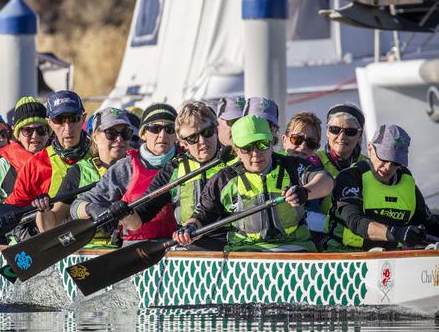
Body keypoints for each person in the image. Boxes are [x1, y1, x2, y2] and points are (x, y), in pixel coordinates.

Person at [170, 116, 334, 252]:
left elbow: (326, 181)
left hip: (295, 248)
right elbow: (202, 215)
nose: (256, 154)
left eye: (262, 144)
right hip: (246, 253)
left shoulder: (291, 165)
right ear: (235, 149)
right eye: (247, 148)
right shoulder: (224, 179)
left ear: (272, 143)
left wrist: (305, 192)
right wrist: (189, 229)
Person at [116, 101, 235, 250]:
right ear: (183, 143)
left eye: (206, 133)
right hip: (191, 249)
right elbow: (137, 220)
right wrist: (122, 213)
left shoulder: (237, 161)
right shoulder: (173, 169)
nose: (202, 142)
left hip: (235, 248)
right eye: (193, 138)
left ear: (216, 130)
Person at [71, 103, 179, 243]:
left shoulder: (187, 164)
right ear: (143, 134)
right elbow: (76, 207)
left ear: (177, 135)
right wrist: (92, 208)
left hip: (182, 249)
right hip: (136, 248)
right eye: (155, 128)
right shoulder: (125, 168)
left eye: (169, 129)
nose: (162, 135)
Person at [328, 125, 439, 250]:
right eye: (384, 158)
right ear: (370, 149)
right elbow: (356, 222)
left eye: (396, 163)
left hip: (390, 258)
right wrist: (397, 233)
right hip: (345, 255)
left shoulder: (407, 182)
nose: (388, 168)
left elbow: (430, 224)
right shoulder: (350, 177)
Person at [36, 107, 132, 247]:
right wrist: (43, 209)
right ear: (95, 137)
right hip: (89, 252)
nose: (119, 139)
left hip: (130, 248)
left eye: (125, 133)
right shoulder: (79, 171)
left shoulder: (138, 167)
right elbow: (52, 223)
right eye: (111, 133)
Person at [5, 90, 91, 213]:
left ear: (83, 119)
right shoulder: (36, 164)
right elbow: (12, 207)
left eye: (73, 119)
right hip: (53, 230)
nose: (67, 128)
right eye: (59, 120)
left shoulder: (100, 153)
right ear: (50, 123)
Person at [316, 104, 367, 217]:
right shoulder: (314, 161)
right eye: (335, 130)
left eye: (350, 131)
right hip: (321, 232)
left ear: (360, 135)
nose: (342, 136)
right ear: (327, 132)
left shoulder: (369, 165)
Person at [280, 112, 326, 235]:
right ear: (284, 141)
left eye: (311, 143)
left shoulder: (318, 172)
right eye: (296, 139)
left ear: (317, 147)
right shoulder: (270, 165)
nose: (303, 146)